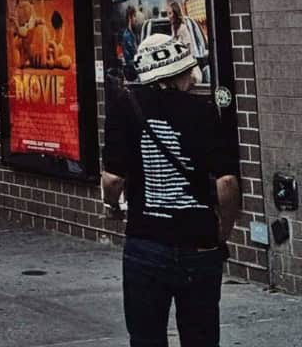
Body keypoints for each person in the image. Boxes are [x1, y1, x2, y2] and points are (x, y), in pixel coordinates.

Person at [102, 34, 241, 347]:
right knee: (201, 337)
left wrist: (112, 206)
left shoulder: (124, 108)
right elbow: (228, 184)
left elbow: (112, 180)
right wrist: (223, 231)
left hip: (146, 243)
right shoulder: (207, 111)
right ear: (182, 72)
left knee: (146, 338)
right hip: (200, 245)